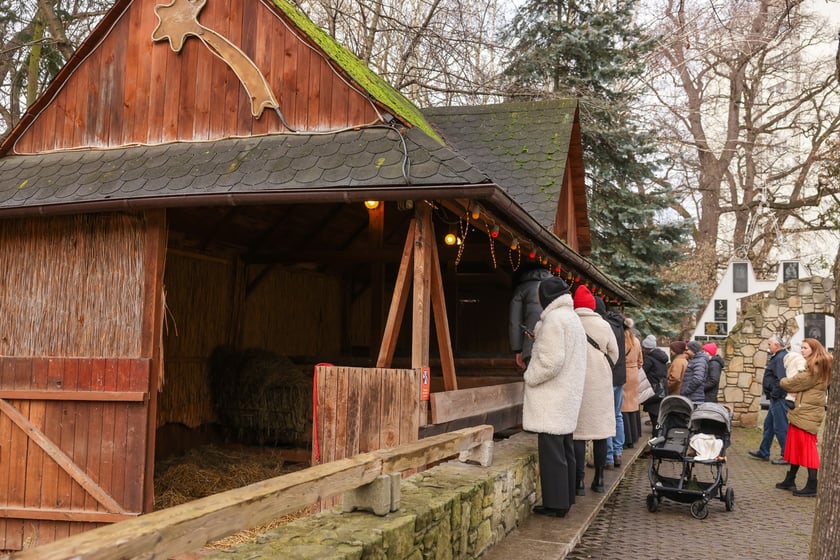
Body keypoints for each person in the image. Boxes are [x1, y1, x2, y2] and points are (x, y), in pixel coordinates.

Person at [522, 276, 587, 517]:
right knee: (565, 450)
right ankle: (566, 498)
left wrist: (530, 376)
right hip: (567, 396)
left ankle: (556, 504)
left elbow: (550, 362)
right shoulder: (571, 319)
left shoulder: (553, 320)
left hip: (552, 399)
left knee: (552, 455)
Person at [572, 285, 618, 496]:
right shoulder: (603, 324)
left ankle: (578, 482)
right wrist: (603, 366)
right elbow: (614, 354)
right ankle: (599, 480)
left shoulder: (570, 322)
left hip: (577, 383)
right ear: (592, 306)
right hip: (600, 384)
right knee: (601, 434)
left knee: (579, 435)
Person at [775, 338, 831, 497]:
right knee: (795, 446)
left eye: (805, 348)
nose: (802, 350)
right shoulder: (817, 366)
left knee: (808, 449)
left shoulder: (815, 367)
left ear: (814, 350)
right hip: (802, 411)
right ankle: (790, 479)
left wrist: (783, 381)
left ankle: (812, 485)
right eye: (802, 347)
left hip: (807, 413)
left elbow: (792, 383)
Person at [594, 296, 626, 469]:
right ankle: (618, 452)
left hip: (608, 376)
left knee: (605, 417)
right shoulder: (618, 324)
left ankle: (607, 458)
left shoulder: (602, 326)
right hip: (620, 375)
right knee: (617, 415)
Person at [748, 334, 790, 464]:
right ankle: (764, 451)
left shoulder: (780, 358)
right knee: (769, 426)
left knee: (780, 427)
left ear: (777, 346)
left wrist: (774, 395)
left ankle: (787, 455)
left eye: (770, 344)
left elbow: (780, 379)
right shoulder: (778, 357)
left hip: (779, 399)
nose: (768, 347)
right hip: (775, 399)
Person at [509, 265, 553, 370]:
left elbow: (515, 321)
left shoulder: (521, 289)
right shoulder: (555, 287)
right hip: (555, 345)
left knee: (534, 383)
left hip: (531, 346)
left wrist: (518, 350)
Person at [621, 319, 643, 448]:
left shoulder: (622, 341)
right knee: (633, 405)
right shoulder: (636, 341)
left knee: (623, 406)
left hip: (624, 373)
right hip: (634, 373)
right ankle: (634, 435)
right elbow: (641, 361)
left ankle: (626, 437)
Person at [641, 334, 669, 435]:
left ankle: (656, 439)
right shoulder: (661, 357)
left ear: (647, 348)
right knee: (659, 417)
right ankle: (660, 436)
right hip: (662, 390)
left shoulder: (649, 359)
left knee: (655, 418)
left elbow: (642, 372)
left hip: (653, 391)